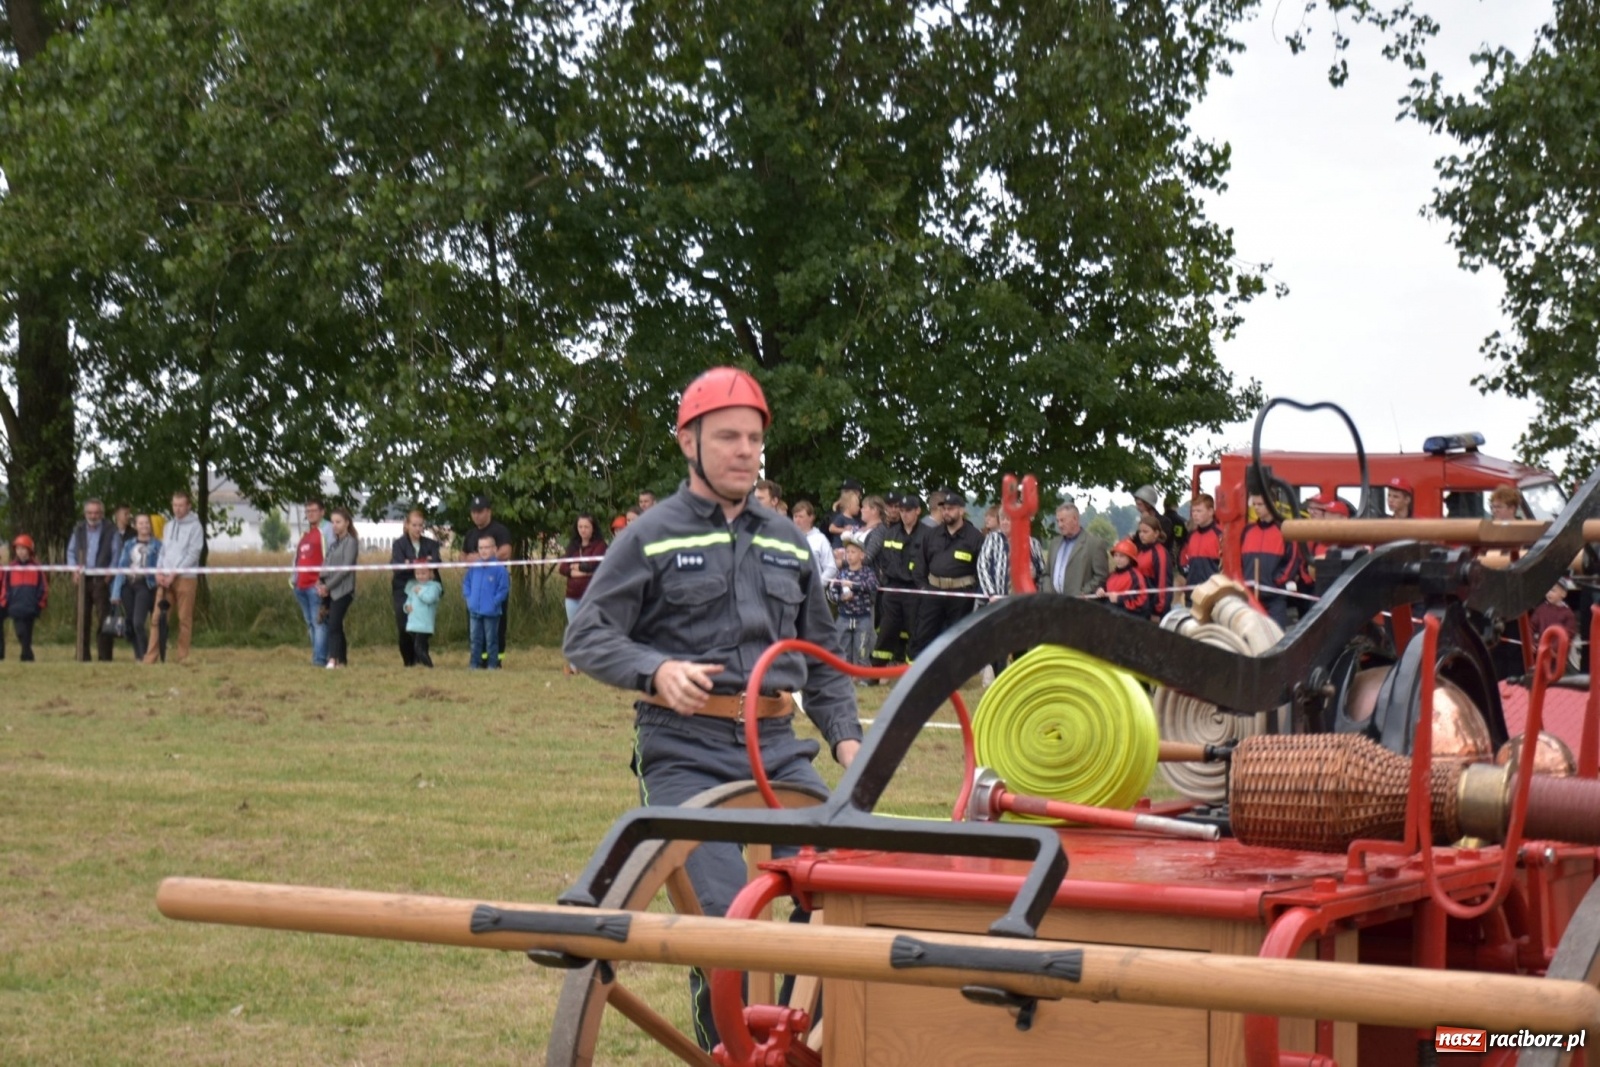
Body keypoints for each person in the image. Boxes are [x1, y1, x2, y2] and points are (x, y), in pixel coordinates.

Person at [563, 366, 861, 1051]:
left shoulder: (789, 539)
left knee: (846, 889)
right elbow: (586, 634)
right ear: (686, 442)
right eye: (727, 436)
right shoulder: (650, 534)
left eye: (754, 437)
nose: (744, 450)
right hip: (684, 751)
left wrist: (847, 742)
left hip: (781, 750)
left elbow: (822, 656)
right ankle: (731, 1048)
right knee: (727, 924)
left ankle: (792, 1040)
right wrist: (655, 668)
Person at [910, 488, 984, 659]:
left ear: (961, 510)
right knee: (923, 635)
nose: (946, 512)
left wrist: (974, 594)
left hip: (961, 596)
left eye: (950, 508)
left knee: (957, 638)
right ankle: (920, 675)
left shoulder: (975, 537)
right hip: (933, 592)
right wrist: (923, 588)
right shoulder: (931, 535)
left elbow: (981, 569)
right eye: (943, 508)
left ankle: (954, 676)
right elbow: (920, 564)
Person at [976, 506, 1045, 677]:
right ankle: (998, 676)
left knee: (1020, 644)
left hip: (1022, 604)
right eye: (1003, 519)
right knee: (998, 643)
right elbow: (982, 566)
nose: (1006, 522)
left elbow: (1042, 571)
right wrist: (991, 594)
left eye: (1010, 519)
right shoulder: (992, 539)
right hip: (997, 602)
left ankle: (1020, 678)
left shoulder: (1031, 543)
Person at [144, 490, 203, 666]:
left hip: (186, 578)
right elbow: (163, 550)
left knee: (185, 618)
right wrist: (159, 571)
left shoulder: (196, 527)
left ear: (188, 506)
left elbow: (193, 553)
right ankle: (151, 657)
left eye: (181, 505)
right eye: (174, 505)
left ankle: (182, 656)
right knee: (157, 618)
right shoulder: (169, 526)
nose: (177, 509)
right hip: (165, 579)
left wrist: (174, 573)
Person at [873, 492, 924, 667]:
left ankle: (914, 671)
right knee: (886, 630)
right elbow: (886, 560)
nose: (904, 514)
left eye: (908, 510)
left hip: (915, 590)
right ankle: (877, 670)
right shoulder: (891, 533)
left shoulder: (927, 534)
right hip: (892, 589)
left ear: (918, 511)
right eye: (901, 510)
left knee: (915, 631)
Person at [462, 495, 513, 666]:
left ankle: (495, 661)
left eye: (480, 511)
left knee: (496, 629)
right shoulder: (470, 534)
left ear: (488, 511)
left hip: (494, 587)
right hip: (476, 590)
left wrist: (484, 558)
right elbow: (463, 557)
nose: (476, 515)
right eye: (473, 512)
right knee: (476, 631)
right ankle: (478, 661)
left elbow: (506, 552)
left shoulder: (500, 530)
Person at [389, 509, 443, 667]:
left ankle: (422, 661)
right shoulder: (398, 544)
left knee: (422, 626)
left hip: (426, 589)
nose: (418, 528)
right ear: (407, 525)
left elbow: (436, 563)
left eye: (421, 525)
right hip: (402, 589)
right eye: (414, 525)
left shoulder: (431, 543)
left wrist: (410, 562)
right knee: (403, 624)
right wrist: (423, 561)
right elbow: (398, 566)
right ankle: (409, 661)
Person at [1241, 491, 1302, 627]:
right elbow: (1241, 561)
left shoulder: (1285, 530)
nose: (1256, 508)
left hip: (1275, 597)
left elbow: (1292, 560)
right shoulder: (1247, 531)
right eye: (1254, 504)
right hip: (1251, 596)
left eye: (1260, 504)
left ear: (1272, 504)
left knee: (1277, 637)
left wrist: (1277, 581)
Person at [67, 497, 117, 661]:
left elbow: (117, 552)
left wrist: (111, 571)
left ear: (101, 514)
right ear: (85, 513)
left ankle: (105, 657)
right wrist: (74, 569)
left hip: (102, 580)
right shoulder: (78, 529)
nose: (93, 516)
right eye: (90, 512)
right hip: (83, 580)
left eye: (96, 513)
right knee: (82, 618)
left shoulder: (111, 529)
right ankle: (82, 656)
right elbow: (71, 552)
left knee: (104, 619)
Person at [558, 514, 608, 675]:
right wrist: (578, 570)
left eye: (586, 527)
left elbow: (594, 566)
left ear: (593, 528)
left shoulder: (600, 546)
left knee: (593, 629)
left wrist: (577, 568)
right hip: (572, 595)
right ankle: (574, 666)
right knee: (575, 630)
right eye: (580, 527)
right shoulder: (572, 546)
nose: (583, 530)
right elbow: (563, 568)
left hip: (591, 595)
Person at [111, 516, 162, 662]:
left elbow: (162, 564)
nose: (144, 526)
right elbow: (121, 567)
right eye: (141, 523)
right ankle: (138, 654)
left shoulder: (158, 545)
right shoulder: (128, 544)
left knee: (138, 622)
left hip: (145, 585)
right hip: (128, 586)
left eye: (147, 523)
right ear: (135, 526)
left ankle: (147, 654)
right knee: (130, 621)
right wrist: (116, 592)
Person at [291, 499, 333, 667]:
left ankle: (320, 660)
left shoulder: (328, 530)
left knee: (319, 623)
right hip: (301, 585)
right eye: (307, 511)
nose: (310, 514)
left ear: (322, 512)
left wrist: (324, 580)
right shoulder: (306, 534)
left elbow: (332, 555)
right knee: (311, 624)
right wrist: (294, 580)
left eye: (314, 510)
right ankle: (319, 655)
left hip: (316, 586)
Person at [828, 537, 878, 673]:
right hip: (844, 617)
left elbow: (873, 586)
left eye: (853, 552)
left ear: (862, 555)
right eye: (847, 552)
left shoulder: (867, 572)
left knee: (862, 648)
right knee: (842, 647)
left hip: (863, 618)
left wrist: (854, 586)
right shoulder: (841, 573)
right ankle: (843, 674)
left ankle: (862, 675)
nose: (849, 555)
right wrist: (841, 597)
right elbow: (832, 592)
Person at [317, 507, 359, 669]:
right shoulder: (334, 544)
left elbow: (345, 568)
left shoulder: (351, 542)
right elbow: (326, 564)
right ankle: (342, 660)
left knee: (334, 624)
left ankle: (332, 659)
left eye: (338, 522)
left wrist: (328, 586)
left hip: (344, 591)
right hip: (329, 591)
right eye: (333, 522)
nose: (334, 525)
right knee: (336, 625)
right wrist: (320, 583)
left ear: (347, 523)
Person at [1044, 499, 1109, 598]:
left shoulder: (1094, 544)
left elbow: (1101, 576)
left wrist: (1083, 592)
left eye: (1063, 520)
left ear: (1075, 519)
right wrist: (1048, 592)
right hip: (1055, 604)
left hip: (1080, 606)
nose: (1059, 525)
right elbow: (1047, 574)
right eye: (1058, 521)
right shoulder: (1054, 543)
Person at [463, 535, 509, 669]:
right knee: (475, 639)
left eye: (487, 547)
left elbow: (503, 589)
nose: (483, 551)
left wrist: (494, 602)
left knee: (491, 640)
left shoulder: (500, 569)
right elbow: (466, 583)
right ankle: (474, 664)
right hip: (474, 611)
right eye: (481, 548)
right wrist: (469, 598)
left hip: (492, 612)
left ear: (494, 549)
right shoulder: (474, 567)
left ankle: (492, 664)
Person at [2, 534, 48, 661]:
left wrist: (40, 603)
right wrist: (7, 600)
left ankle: (26, 656)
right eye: (18, 549)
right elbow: (6, 586)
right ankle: (28, 654)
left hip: (31, 606)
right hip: (15, 606)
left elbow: (43, 587)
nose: (21, 552)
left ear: (29, 550)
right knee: (20, 632)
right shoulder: (11, 567)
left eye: (23, 549)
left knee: (27, 633)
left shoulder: (37, 567)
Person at [1134, 512, 1174, 618]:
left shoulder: (1160, 553)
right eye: (1140, 532)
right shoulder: (1141, 551)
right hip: (1140, 607)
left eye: (1145, 532)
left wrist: (1157, 612)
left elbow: (1163, 585)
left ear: (1156, 533)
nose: (1141, 535)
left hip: (1153, 611)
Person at [403, 565, 442, 669]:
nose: (420, 576)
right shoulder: (413, 587)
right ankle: (419, 666)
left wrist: (419, 592)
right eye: (418, 574)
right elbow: (409, 600)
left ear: (430, 573)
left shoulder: (434, 587)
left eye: (423, 573)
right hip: (413, 623)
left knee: (419, 648)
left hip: (424, 625)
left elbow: (429, 599)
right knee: (419, 648)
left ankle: (429, 666)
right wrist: (406, 607)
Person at [1100, 539, 1151, 618]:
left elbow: (1142, 602)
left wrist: (1120, 599)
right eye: (1116, 555)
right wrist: (1101, 592)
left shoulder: (1135, 577)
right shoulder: (1112, 575)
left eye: (1122, 556)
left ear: (1130, 559)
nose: (1118, 559)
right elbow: (1106, 592)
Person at [1179, 493, 1222, 588]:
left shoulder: (1220, 534)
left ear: (1210, 511)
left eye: (1199, 511)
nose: (1195, 514)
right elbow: (1183, 559)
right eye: (1193, 511)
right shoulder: (1191, 536)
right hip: (1192, 591)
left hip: (1213, 593)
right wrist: (1187, 574)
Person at [791, 501, 836, 585]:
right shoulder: (787, 538)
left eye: (801, 516)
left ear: (811, 518)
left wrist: (817, 584)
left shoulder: (820, 539)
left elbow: (831, 568)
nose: (797, 520)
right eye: (795, 516)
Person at [827, 483, 863, 549]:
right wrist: (844, 530)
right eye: (857, 505)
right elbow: (831, 528)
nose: (859, 508)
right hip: (839, 547)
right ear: (849, 505)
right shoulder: (841, 517)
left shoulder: (855, 520)